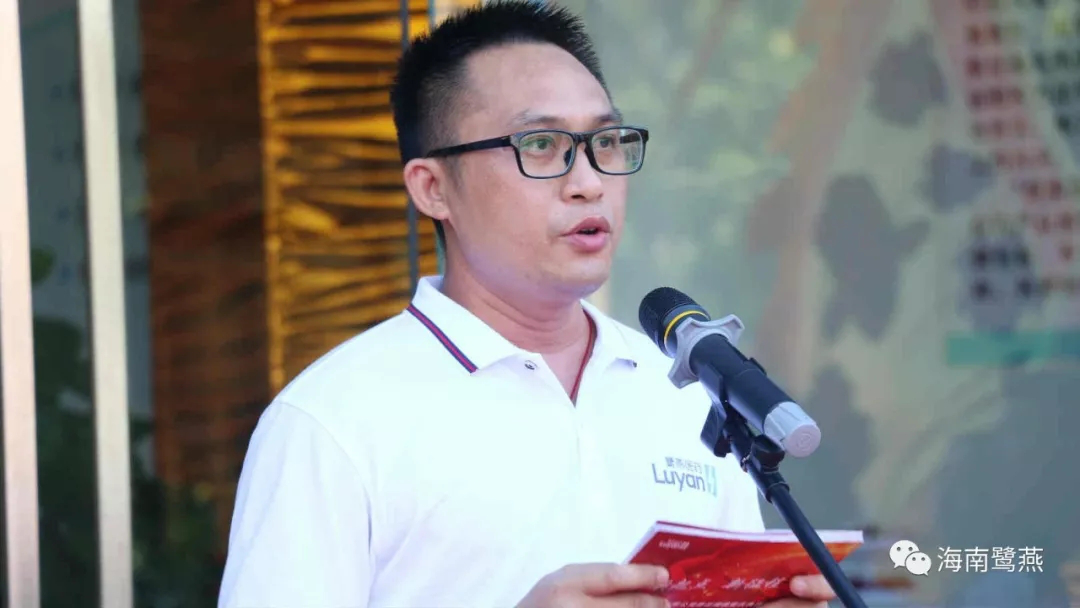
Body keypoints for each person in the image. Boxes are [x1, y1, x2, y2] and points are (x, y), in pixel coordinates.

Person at [217, 2, 837, 607]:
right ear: (433, 188)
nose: (589, 182)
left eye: (606, 142)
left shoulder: (683, 393)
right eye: (540, 144)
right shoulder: (331, 421)